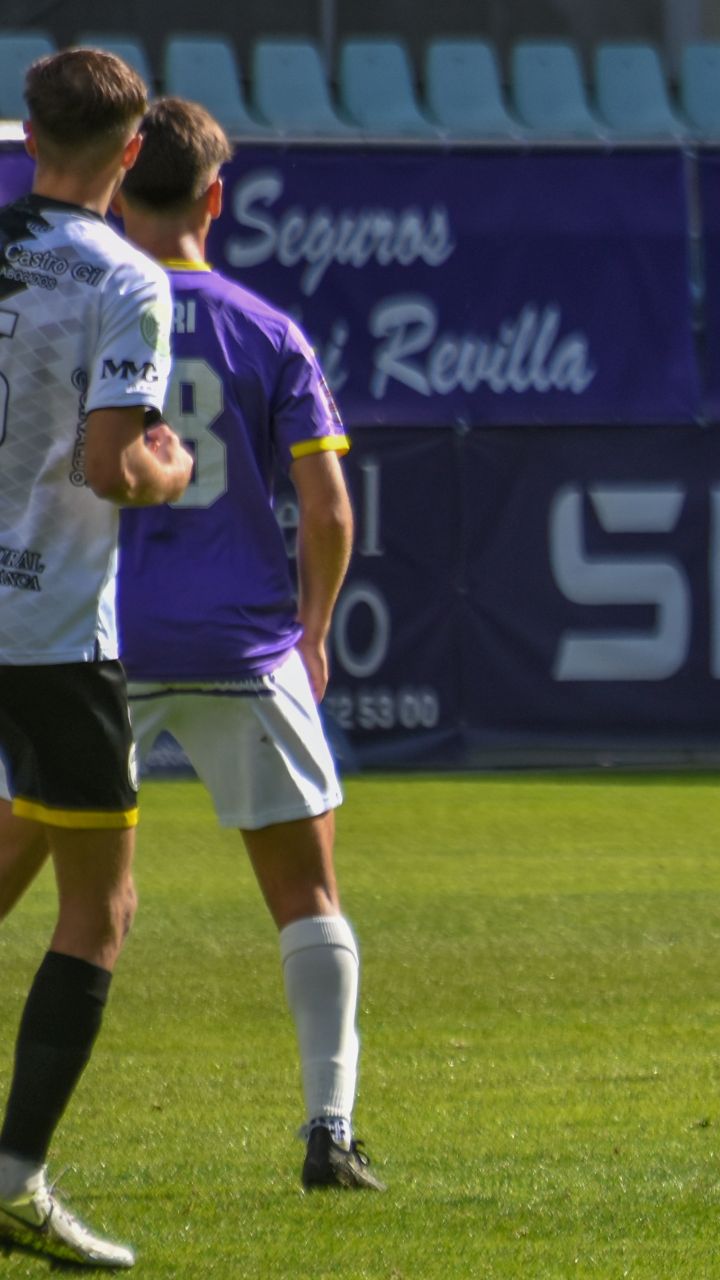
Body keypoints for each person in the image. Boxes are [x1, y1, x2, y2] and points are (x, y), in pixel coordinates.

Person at [0, 96, 381, 1194]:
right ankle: (329, 1129)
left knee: (27, 870)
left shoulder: (75, 294)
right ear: (218, 197)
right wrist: (313, 630)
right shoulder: (267, 330)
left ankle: (26, 1154)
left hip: (92, 637)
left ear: (125, 181)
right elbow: (328, 508)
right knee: (306, 892)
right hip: (239, 644)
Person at [0, 48, 195, 1270]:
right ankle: (15, 1174)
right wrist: (171, 469)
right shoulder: (128, 278)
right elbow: (114, 465)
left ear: (28, 136)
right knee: (99, 905)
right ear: (132, 155)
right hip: (52, 630)